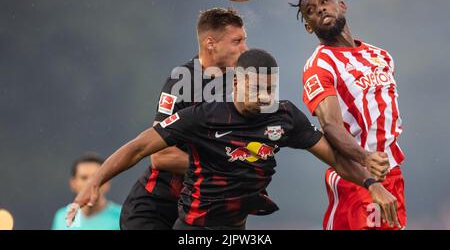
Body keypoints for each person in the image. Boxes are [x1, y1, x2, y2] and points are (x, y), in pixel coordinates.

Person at [66, 49, 399, 230]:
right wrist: (96, 180)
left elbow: (335, 158)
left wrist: (371, 183)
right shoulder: (204, 116)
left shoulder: (284, 116)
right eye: (257, 88)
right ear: (237, 83)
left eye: (270, 89)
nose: (264, 96)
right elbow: (139, 147)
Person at [119, 7, 248, 229]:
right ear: (210, 43)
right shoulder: (183, 81)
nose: (245, 49)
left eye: (244, 40)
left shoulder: (242, 83)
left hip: (203, 210)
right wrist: (220, 169)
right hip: (156, 208)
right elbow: (160, 156)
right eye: (236, 42)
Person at [290, 0, 406, 229]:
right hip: (355, 176)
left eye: (324, 1)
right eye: (310, 10)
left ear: (341, 5)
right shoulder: (319, 66)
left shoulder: (381, 56)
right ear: (309, 27)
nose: (320, 9)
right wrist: (366, 158)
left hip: (393, 176)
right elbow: (330, 126)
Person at [51, 153, 121, 230]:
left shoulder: (122, 216)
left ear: (107, 183)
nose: (89, 183)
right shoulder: (61, 216)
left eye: (95, 177)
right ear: (73, 184)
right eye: (84, 178)